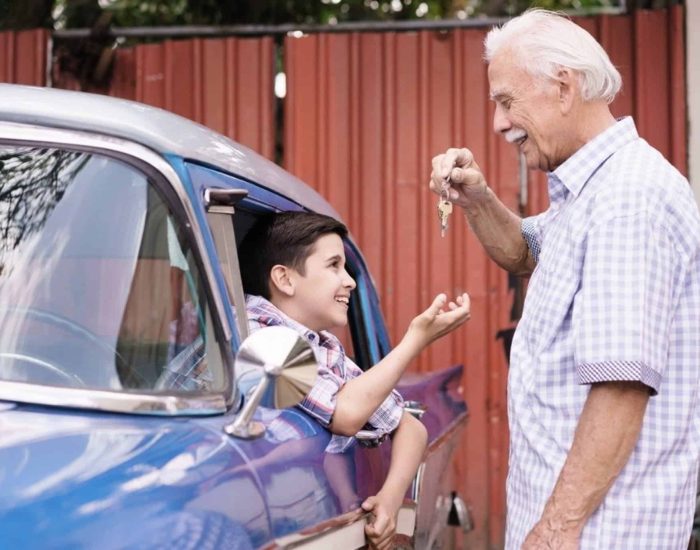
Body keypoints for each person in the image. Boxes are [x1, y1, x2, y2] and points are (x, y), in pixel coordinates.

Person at [430, 9, 700, 549]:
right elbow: (525, 253)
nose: (499, 124)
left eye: (506, 102)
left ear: (563, 86)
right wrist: (477, 198)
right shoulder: (593, 190)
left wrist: (557, 527)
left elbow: (621, 385)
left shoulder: (627, 199)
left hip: (601, 533)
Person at [239, 211, 470, 549]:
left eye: (346, 267)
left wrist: (389, 501)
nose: (349, 280)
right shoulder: (254, 327)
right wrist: (416, 340)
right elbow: (345, 415)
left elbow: (412, 428)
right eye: (334, 266)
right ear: (285, 279)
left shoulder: (323, 346)